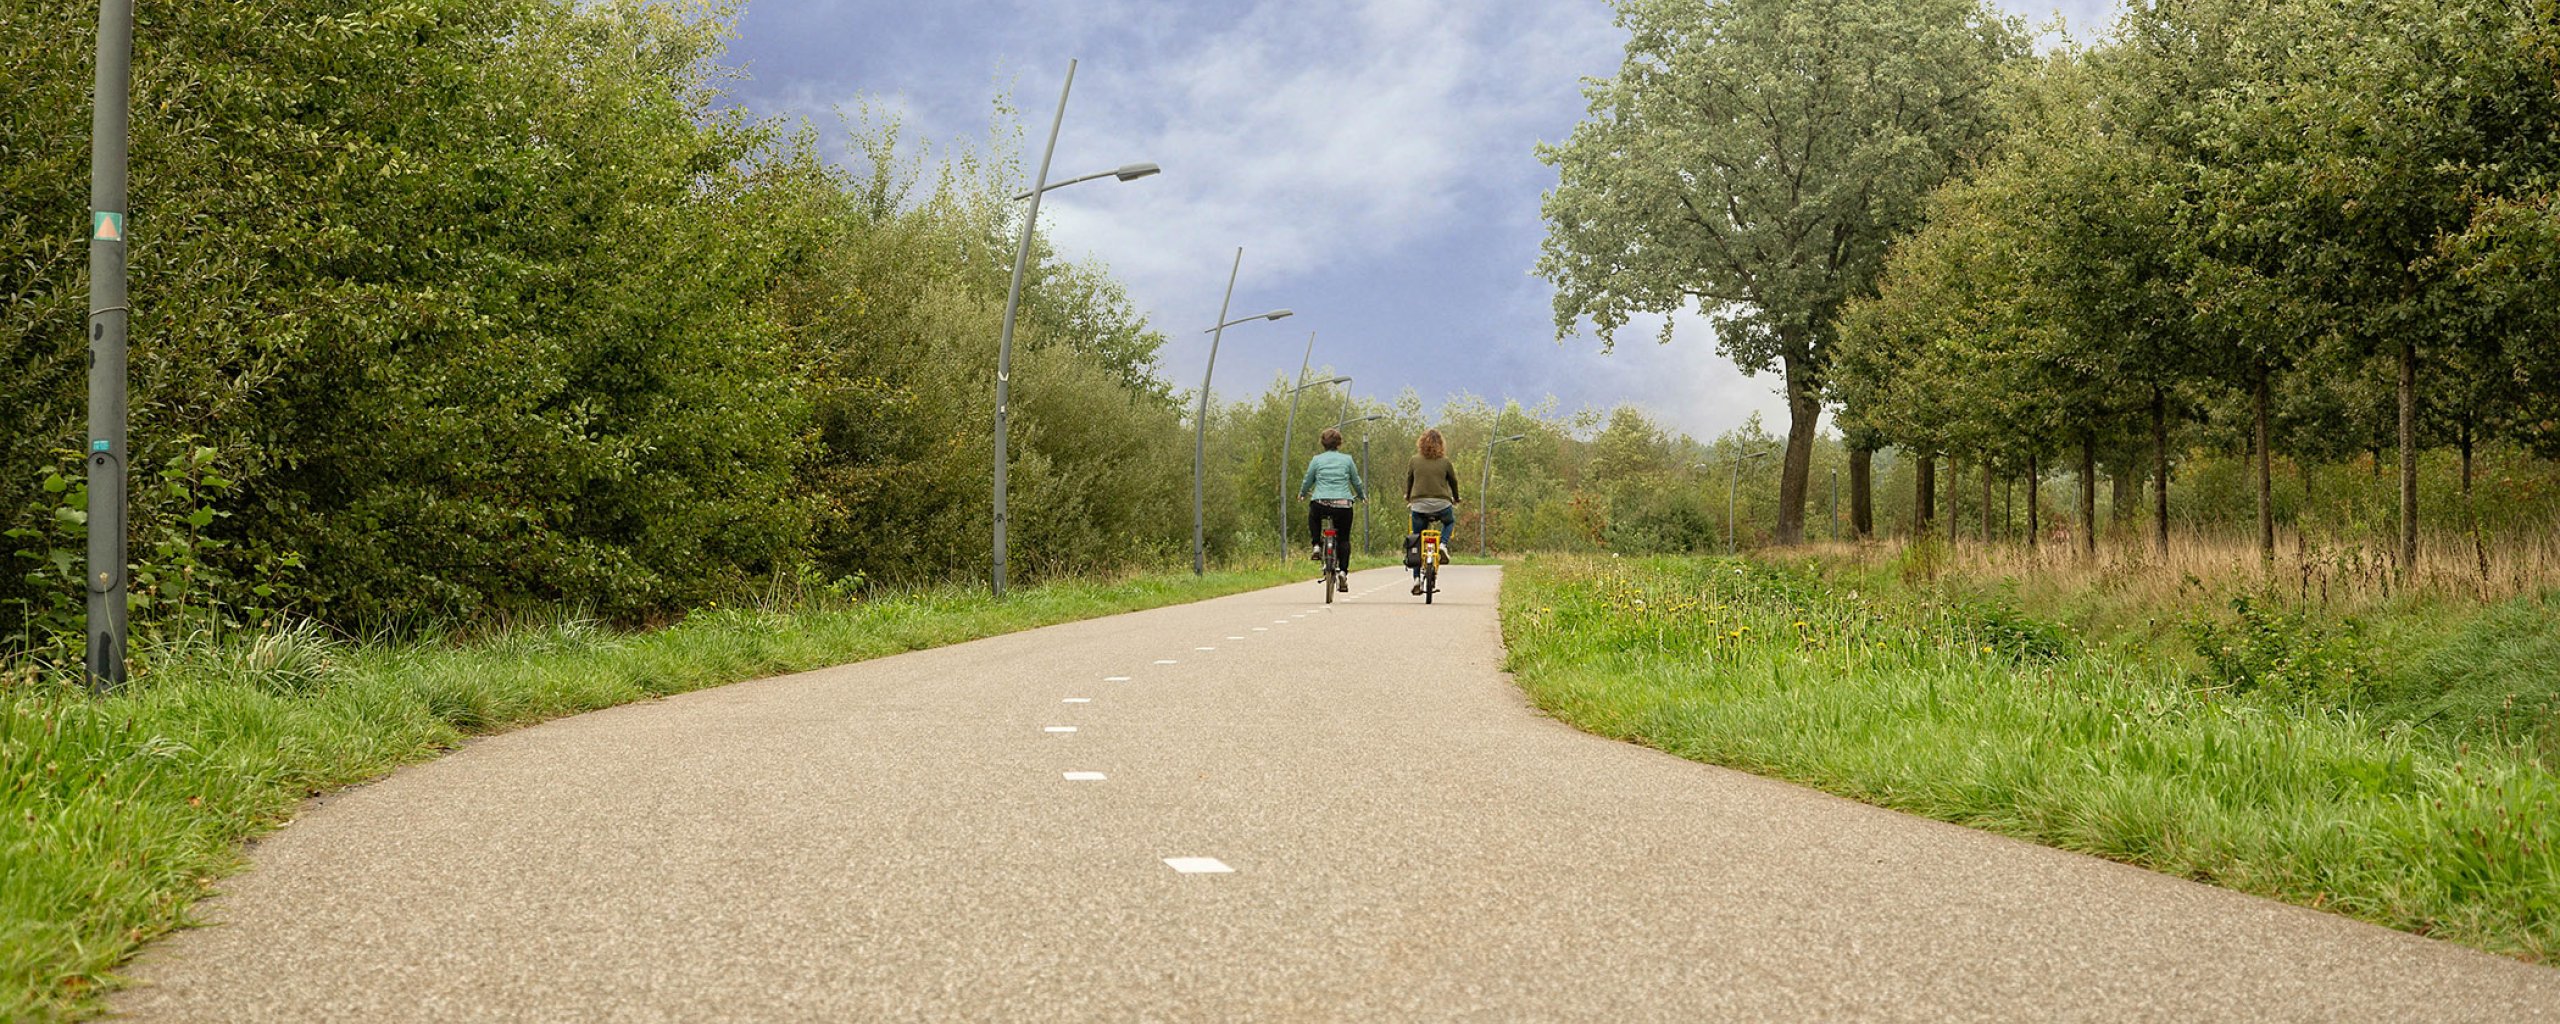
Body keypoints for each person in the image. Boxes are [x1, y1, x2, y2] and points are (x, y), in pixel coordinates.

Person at [1299, 427, 1363, 591]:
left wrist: (1302, 493)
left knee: (1313, 516)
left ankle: (1316, 545)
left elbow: (1308, 479)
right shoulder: (1347, 460)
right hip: (1343, 505)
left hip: (1321, 502)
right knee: (1344, 539)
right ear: (1339, 443)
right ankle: (1343, 572)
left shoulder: (1317, 460)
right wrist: (1361, 496)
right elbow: (1356, 481)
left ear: (1323, 443)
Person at [1404, 428, 1460, 594]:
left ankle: (1416, 579)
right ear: (1441, 444)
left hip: (1419, 505)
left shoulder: (1414, 460)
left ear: (1421, 443)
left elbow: (1409, 480)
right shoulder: (1445, 462)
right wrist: (1456, 499)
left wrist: (1409, 497)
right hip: (1442, 505)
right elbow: (1453, 482)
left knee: (1417, 539)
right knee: (1449, 522)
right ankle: (1442, 544)